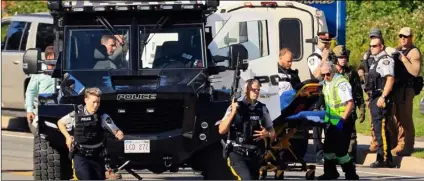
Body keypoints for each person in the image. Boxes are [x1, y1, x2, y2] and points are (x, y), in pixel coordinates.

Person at [57, 87, 125, 180]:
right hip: (80, 155)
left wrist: (119, 133)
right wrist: (67, 137)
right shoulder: (76, 114)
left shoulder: (102, 116)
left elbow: (116, 130)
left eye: (98, 102)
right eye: (94, 102)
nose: (96, 105)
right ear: (86, 100)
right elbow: (60, 122)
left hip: (97, 156)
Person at [217, 79, 276, 180]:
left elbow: (273, 133)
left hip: (255, 155)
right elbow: (221, 130)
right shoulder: (235, 107)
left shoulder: (262, 109)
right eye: (254, 90)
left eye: (258, 90)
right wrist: (233, 112)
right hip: (237, 153)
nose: (257, 92)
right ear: (246, 90)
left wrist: (267, 134)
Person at [317, 61, 359, 180]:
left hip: (343, 121)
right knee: (328, 150)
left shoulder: (341, 83)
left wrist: (342, 120)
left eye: (328, 74)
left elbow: (350, 104)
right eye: (323, 75)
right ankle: (331, 172)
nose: (325, 77)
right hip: (332, 121)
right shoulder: (326, 83)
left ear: (333, 71)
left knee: (341, 151)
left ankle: (351, 174)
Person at [364, 37, 395, 168]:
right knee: (378, 129)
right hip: (374, 98)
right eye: (371, 46)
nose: (372, 48)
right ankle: (381, 156)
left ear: (381, 46)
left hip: (380, 98)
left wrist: (383, 96)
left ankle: (384, 158)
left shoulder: (385, 60)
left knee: (380, 129)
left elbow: (390, 79)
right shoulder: (375, 61)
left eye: (375, 46)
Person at [391, 27, 423, 156]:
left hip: (406, 89)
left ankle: (408, 146)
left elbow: (415, 72)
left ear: (411, 37)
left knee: (405, 118)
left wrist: (403, 59)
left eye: (406, 36)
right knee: (395, 117)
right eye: (401, 36)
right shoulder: (397, 50)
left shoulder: (414, 52)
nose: (403, 39)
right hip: (396, 88)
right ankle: (399, 143)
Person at [332, 45, 366, 163]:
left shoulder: (351, 73)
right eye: (341, 57)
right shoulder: (330, 72)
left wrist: (361, 109)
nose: (343, 59)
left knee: (350, 134)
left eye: (345, 57)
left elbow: (358, 92)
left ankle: (350, 156)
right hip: (334, 109)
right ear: (335, 58)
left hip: (349, 108)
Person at [307, 32, 333, 164]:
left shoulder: (331, 56)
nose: (326, 45)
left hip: (330, 94)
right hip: (318, 95)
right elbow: (317, 75)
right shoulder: (314, 57)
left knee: (330, 124)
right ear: (318, 42)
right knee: (318, 127)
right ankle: (319, 153)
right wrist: (323, 59)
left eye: (328, 42)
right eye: (324, 42)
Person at [25, 46, 56, 135]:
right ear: (49, 57)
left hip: (61, 108)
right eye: (55, 56)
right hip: (44, 107)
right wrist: (29, 110)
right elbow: (30, 91)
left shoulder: (63, 70)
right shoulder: (40, 72)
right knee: (41, 134)